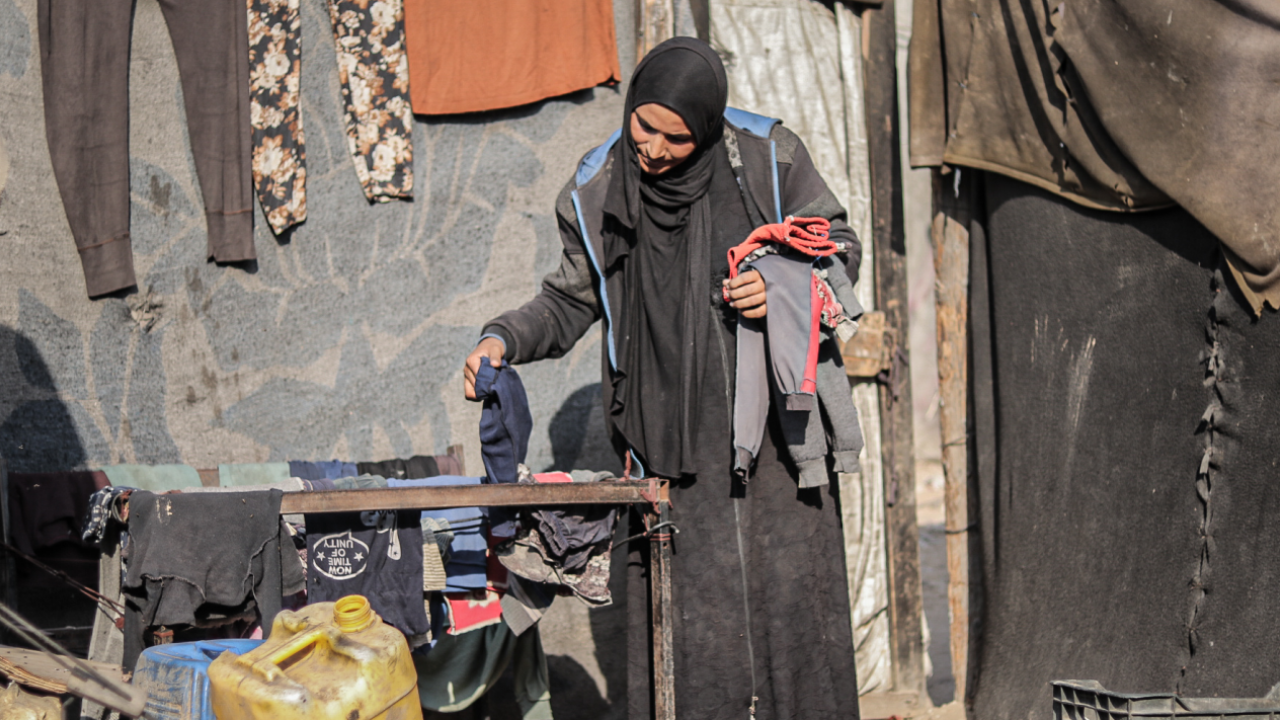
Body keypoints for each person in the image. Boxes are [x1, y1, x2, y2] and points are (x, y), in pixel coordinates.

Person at [463, 37, 863, 720]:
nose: (652, 149)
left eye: (676, 138)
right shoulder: (596, 189)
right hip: (667, 448)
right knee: (689, 626)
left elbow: (837, 247)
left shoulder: (768, 158)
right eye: (643, 126)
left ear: (706, 128)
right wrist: (502, 336)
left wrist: (784, 287)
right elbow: (570, 299)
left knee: (795, 609)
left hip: (778, 438)